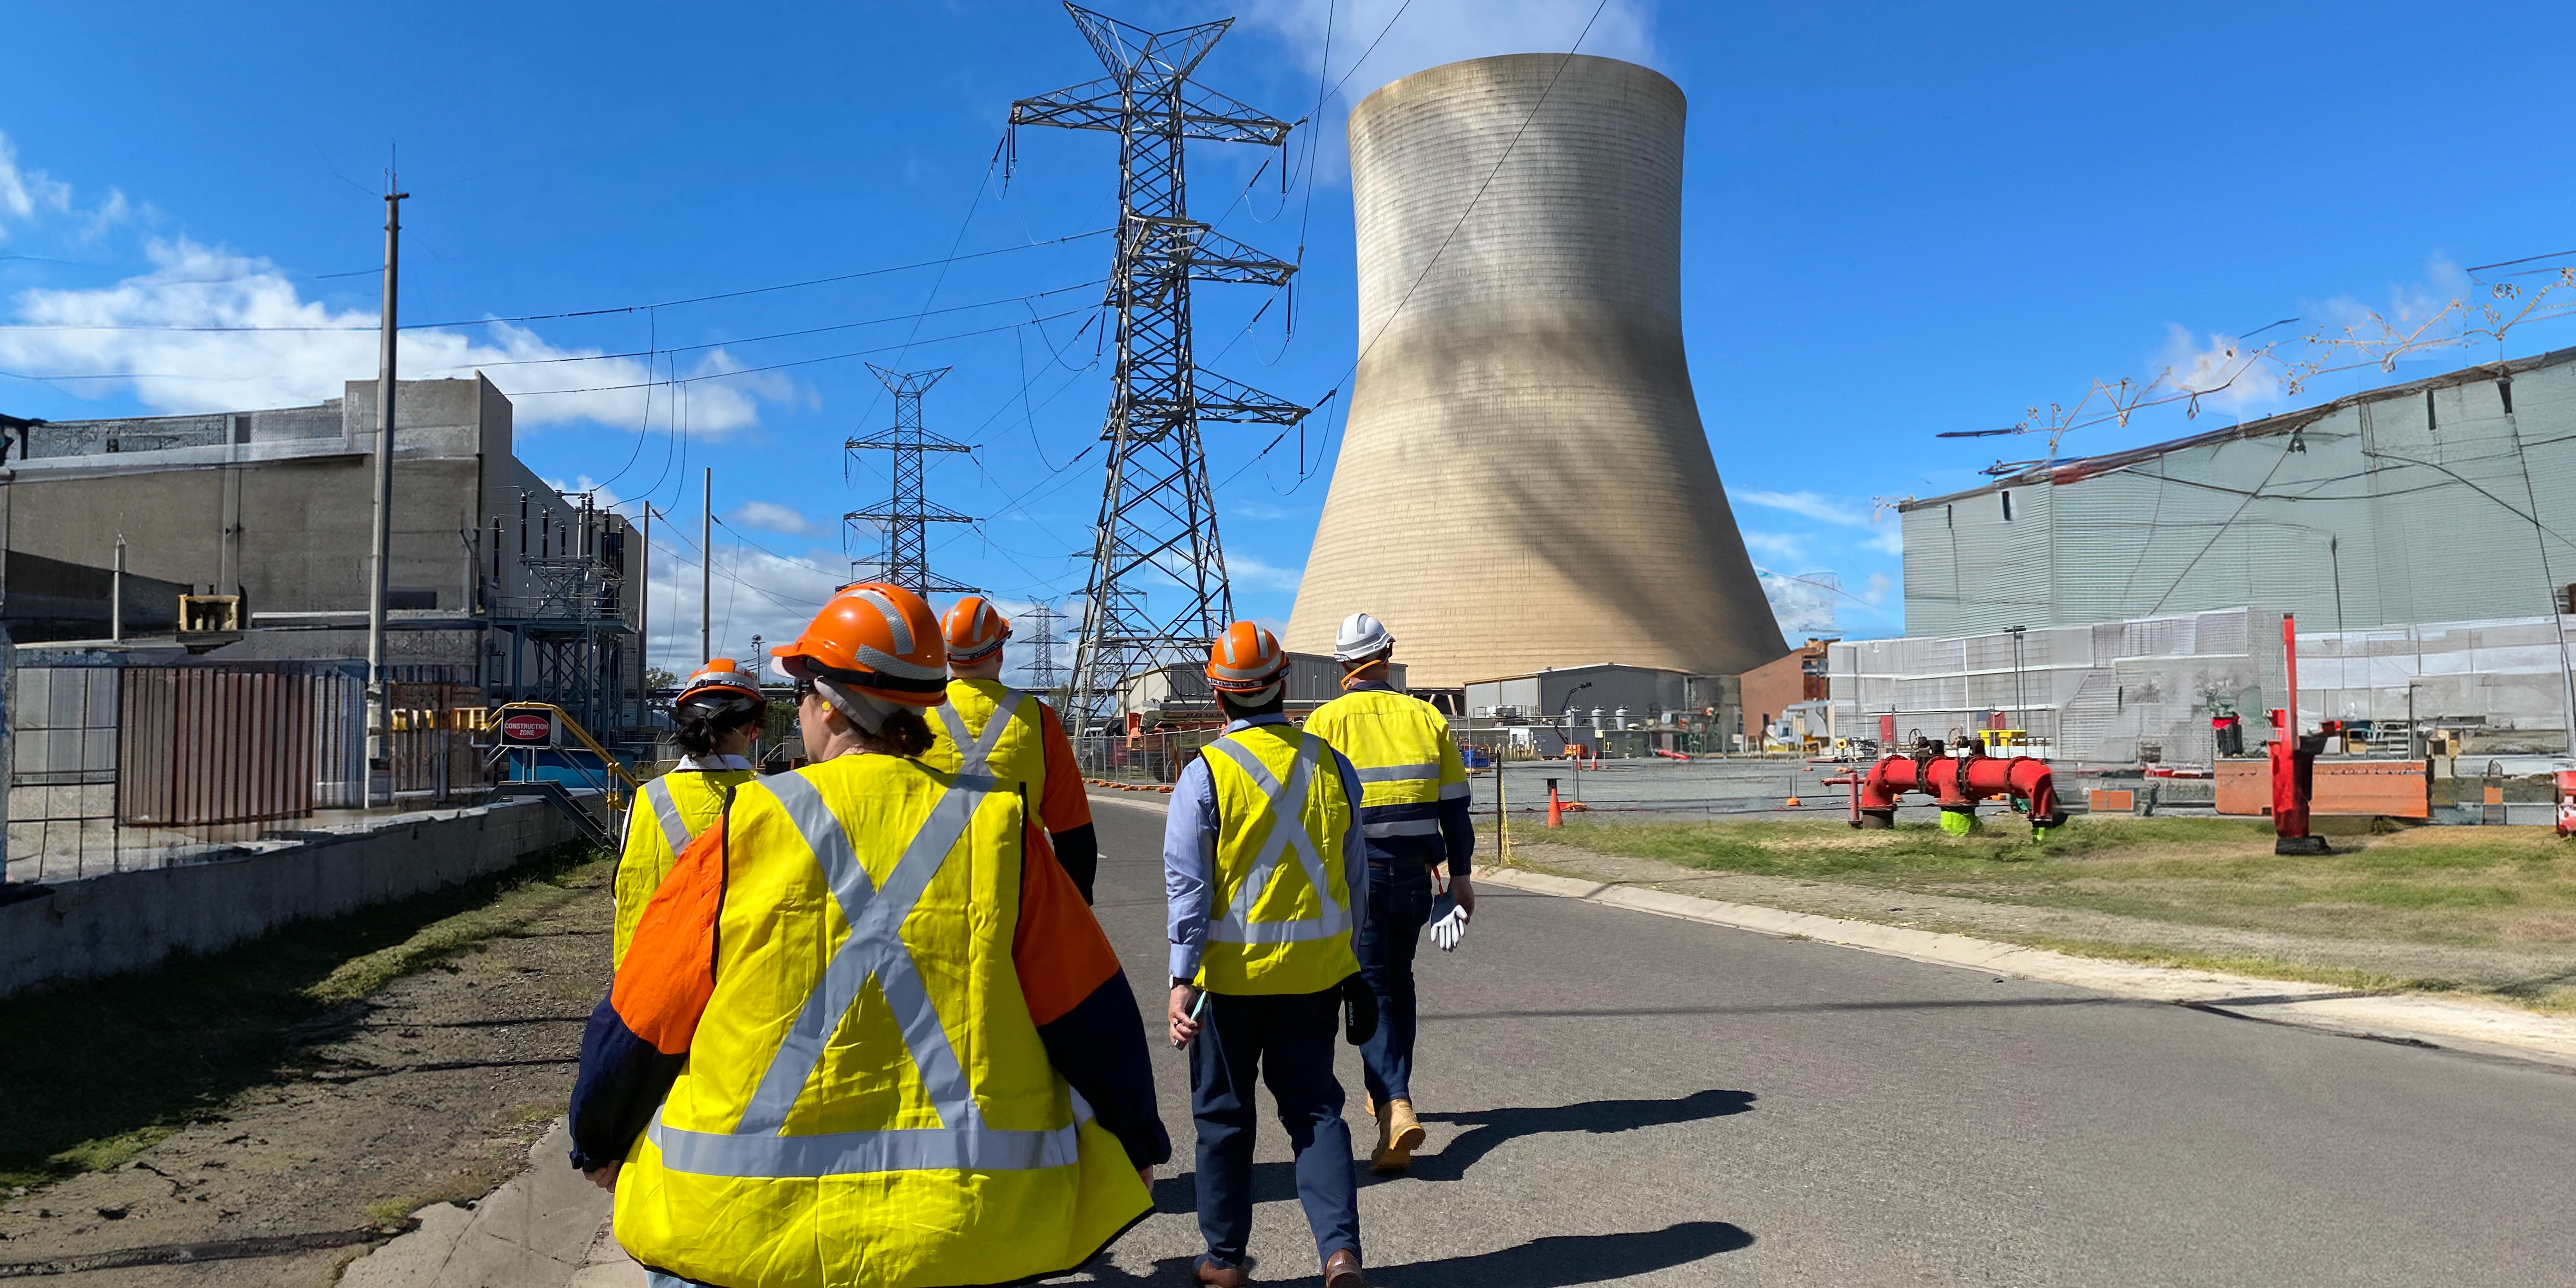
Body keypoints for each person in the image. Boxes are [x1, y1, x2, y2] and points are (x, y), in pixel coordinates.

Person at [567, 583, 1168, 1288]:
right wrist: (1136, 1136)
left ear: (827, 703)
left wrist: (599, 1137)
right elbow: (1089, 1009)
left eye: (800, 693)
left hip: (743, 1230)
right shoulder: (1002, 831)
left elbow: (644, 1016)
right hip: (964, 1230)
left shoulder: (745, 828)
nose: (800, 709)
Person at [1164, 622, 1371, 1288]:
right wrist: (1353, 964)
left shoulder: (1204, 776)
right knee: (1314, 1110)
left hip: (1225, 985)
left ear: (1218, 697)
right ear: (1284, 685)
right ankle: (1339, 1251)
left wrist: (1179, 978)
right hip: (1314, 977)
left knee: (1224, 1119)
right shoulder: (1332, 766)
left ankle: (1224, 1261)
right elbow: (1354, 878)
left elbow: (1187, 891)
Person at [1300, 612, 1475, 1175]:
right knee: (1399, 982)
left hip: (1360, 877)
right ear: (1388, 654)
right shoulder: (1427, 718)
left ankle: (1394, 1102)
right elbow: (1456, 810)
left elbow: (1314, 814)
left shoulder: (1324, 723)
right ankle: (1389, 1094)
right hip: (1417, 878)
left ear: (1343, 664)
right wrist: (1464, 880)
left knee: (1370, 988)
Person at [921, 595, 1102, 901]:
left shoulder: (917, 714)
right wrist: (1076, 909)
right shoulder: (1040, 720)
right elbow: (1074, 834)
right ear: (1000, 652)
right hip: (1018, 895)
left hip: (931, 891)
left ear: (946, 658)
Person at [612, 659, 765, 965]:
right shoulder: (783, 797)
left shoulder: (647, 798)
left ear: (685, 724)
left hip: (654, 982)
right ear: (754, 730)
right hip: (744, 982)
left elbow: (622, 896)